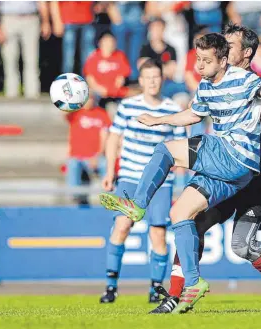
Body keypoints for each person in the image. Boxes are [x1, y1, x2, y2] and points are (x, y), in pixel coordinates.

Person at [99, 32, 261, 313]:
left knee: (242, 245)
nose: (200, 64)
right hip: (219, 163)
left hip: (251, 168)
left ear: (239, 55)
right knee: (183, 217)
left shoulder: (247, 80)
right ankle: (180, 292)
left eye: (228, 45)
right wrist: (158, 120)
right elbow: (192, 114)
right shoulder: (208, 84)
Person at [99, 59, 187, 304]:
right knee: (122, 226)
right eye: (148, 77)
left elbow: (181, 149)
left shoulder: (172, 109)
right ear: (141, 81)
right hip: (129, 176)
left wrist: (180, 184)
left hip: (161, 180)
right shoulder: (127, 107)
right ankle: (110, 286)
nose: (152, 82)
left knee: (157, 233)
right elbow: (113, 138)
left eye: (156, 77)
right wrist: (109, 172)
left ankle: (156, 287)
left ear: (162, 79)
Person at [0, 1, 51, 99]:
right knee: (9, 60)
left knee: (32, 60)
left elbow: (41, 2)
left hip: (31, 18)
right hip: (8, 18)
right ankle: (11, 96)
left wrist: (45, 22)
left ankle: (32, 95)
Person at [66, 95, 111, 206]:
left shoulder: (101, 114)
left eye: (91, 98)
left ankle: (109, 197)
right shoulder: (75, 113)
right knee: (72, 164)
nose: (89, 101)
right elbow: (64, 112)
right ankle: (75, 198)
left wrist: (97, 155)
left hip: (95, 156)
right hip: (77, 157)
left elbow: (105, 137)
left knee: (105, 163)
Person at [139, 18, 188, 101]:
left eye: (160, 28)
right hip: (150, 83)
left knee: (184, 89)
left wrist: (153, 66)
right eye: (154, 29)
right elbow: (143, 67)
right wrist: (164, 68)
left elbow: (172, 71)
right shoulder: (145, 48)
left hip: (168, 84)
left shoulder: (171, 49)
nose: (157, 32)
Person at [83, 31, 139, 103]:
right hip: (98, 93)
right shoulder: (93, 57)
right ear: (100, 43)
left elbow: (120, 80)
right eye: (106, 41)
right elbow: (90, 80)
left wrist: (110, 91)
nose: (109, 44)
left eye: (111, 42)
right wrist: (100, 90)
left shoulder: (120, 56)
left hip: (116, 93)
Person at [50, 1, 95, 74]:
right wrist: (56, 21)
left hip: (88, 20)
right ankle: (67, 83)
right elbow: (54, 2)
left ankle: (87, 83)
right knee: (69, 59)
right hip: (69, 21)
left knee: (88, 58)